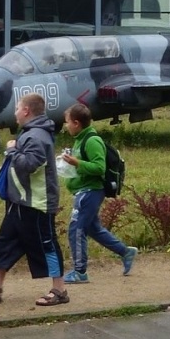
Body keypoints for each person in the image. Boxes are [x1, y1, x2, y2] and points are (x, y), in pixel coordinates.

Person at [0, 93, 69, 307]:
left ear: (26, 111)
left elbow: (29, 164)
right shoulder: (31, 134)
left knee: (47, 245)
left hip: (36, 204)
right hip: (19, 202)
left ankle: (60, 290)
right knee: (5, 242)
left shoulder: (37, 136)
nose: (14, 113)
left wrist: (12, 150)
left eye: (17, 109)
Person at [61, 104, 138, 283]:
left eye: (67, 123)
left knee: (76, 229)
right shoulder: (80, 139)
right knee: (94, 229)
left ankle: (80, 271)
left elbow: (99, 168)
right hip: (83, 190)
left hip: (91, 192)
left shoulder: (92, 140)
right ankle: (125, 252)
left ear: (76, 123)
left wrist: (76, 162)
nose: (66, 126)